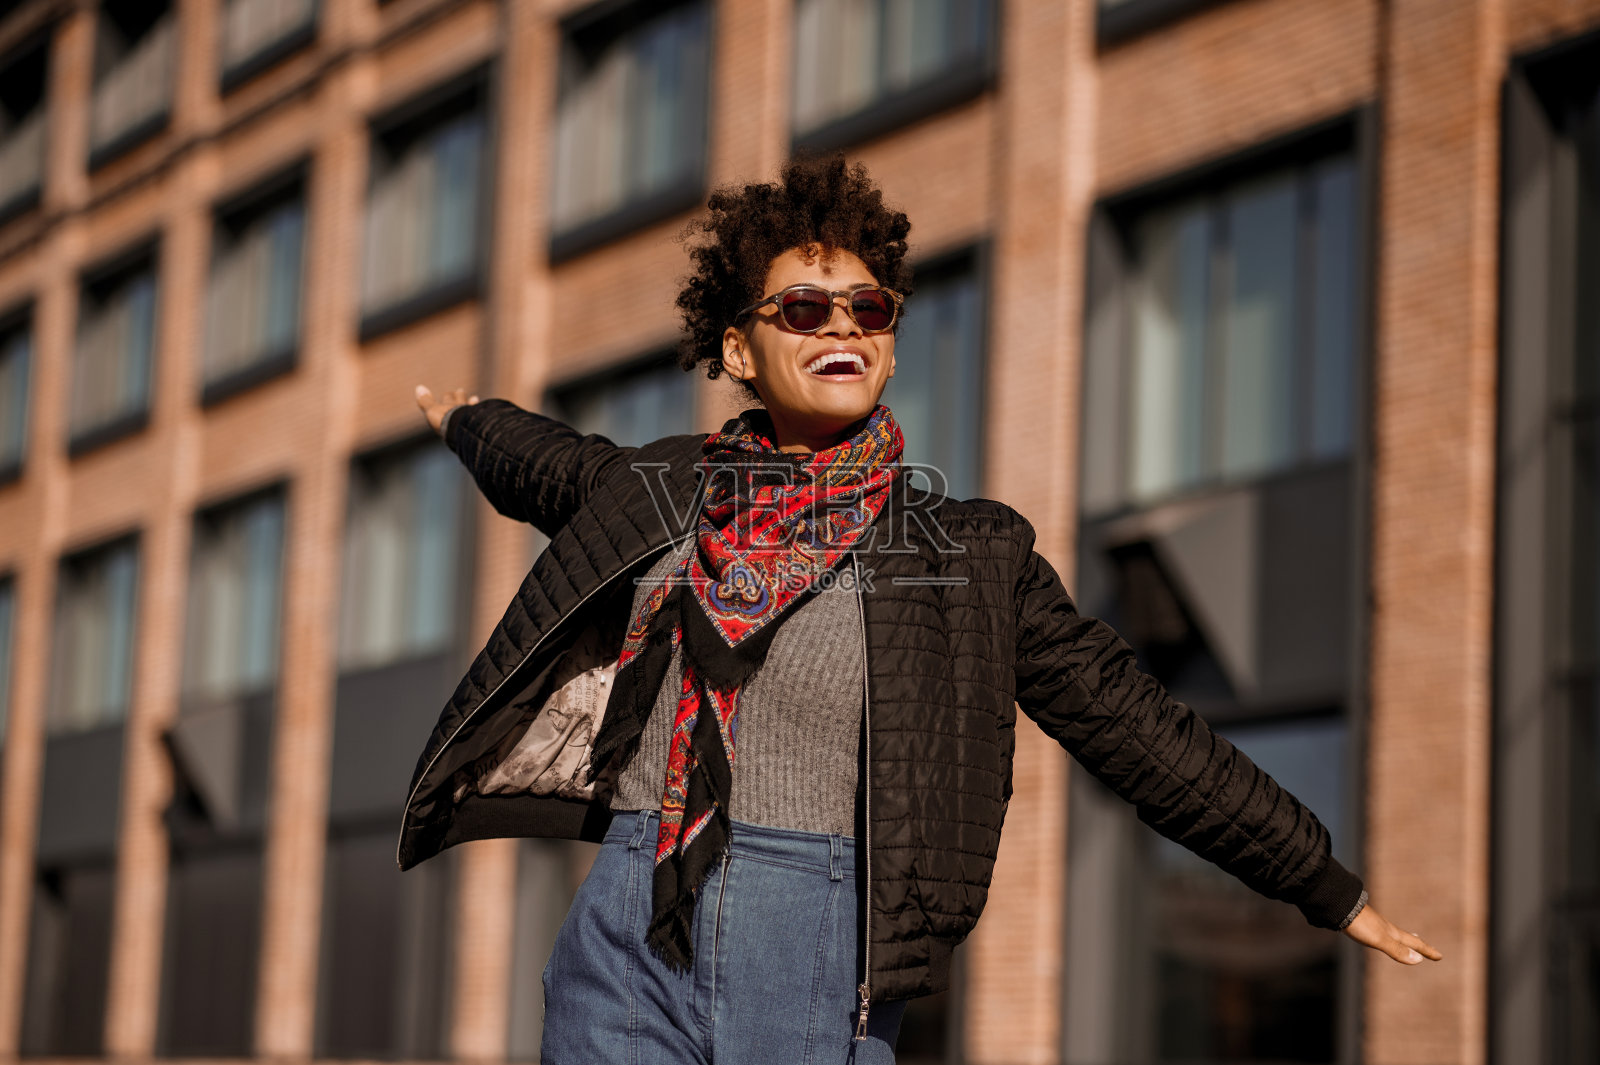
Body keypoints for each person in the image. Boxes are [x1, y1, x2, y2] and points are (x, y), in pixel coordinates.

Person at [405, 156, 1439, 1064]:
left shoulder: (966, 555)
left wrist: (1319, 879)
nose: (843, 325)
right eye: (804, 310)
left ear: (892, 345)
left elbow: (1135, 728)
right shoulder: (661, 494)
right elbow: (544, 464)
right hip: (629, 913)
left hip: (808, 932)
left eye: (869, 309)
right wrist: (460, 419)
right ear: (736, 352)